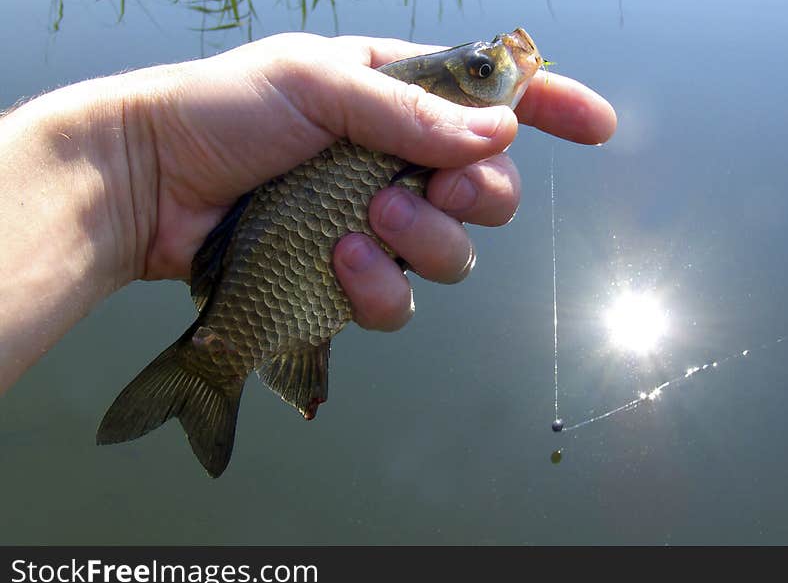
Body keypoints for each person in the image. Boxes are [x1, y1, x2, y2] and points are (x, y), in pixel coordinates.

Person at [0, 32, 616, 393]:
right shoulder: (389, 111)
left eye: (484, 71)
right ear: (439, 101)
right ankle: (223, 360)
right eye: (482, 70)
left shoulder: (397, 108)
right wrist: (143, 164)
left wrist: (140, 169)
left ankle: (265, 349)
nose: (499, 70)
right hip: (258, 244)